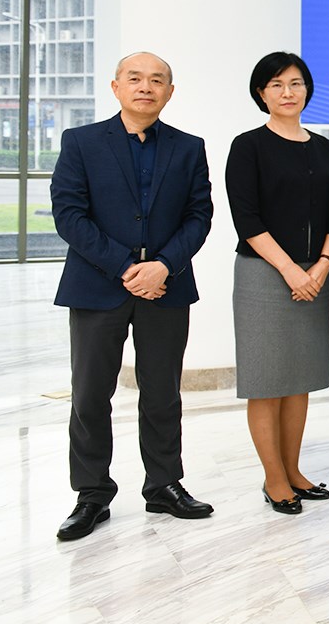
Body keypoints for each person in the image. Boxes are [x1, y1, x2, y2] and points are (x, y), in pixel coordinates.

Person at [50, 52, 215, 541]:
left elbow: (199, 215)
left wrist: (163, 265)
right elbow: (69, 214)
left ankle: (164, 485)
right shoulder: (81, 142)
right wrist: (126, 267)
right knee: (89, 394)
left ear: (170, 92)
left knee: (162, 392)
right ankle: (92, 494)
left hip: (166, 285)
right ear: (116, 87)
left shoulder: (188, 147)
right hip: (97, 284)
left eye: (157, 80)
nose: (146, 87)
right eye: (135, 78)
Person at [227, 52, 329, 515]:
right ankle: (274, 478)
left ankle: (294, 470)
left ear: (307, 90)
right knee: (266, 381)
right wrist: (292, 270)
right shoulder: (248, 146)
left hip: (316, 275)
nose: (287, 92)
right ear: (261, 93)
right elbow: (247, 219)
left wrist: (323, 264)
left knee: (299, 380)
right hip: (263, 275)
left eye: (295, 83)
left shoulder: (326, 149)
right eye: (276, 85)